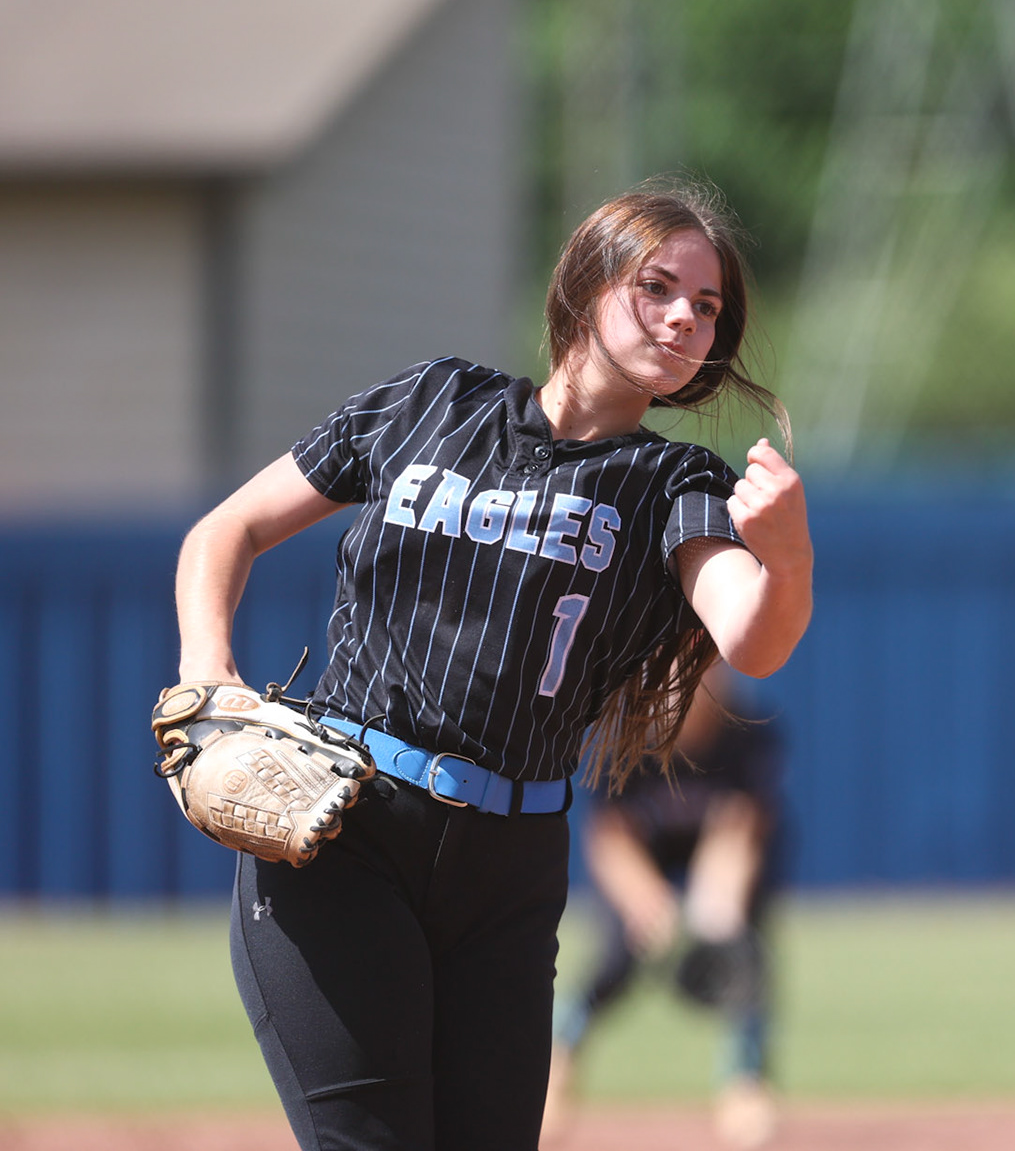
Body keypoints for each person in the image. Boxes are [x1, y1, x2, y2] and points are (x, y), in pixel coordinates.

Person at [170, 176, 812, 1151]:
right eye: (659, 285)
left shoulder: (675, 483)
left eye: (708, 305)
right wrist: (208, 669)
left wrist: (791, 553)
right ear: (586, 283)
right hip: (349, 832)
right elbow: (228, 529)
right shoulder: (429, 402)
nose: (686, 314)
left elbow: (753, 635)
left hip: (508, 873)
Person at [542, 663, 785, 1149]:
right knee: (617, 960)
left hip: (721, 854)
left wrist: (717, 910)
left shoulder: (749, 733)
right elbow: (611, 836)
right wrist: (647, 904)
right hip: (643, 852)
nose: (695, 685)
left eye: (711, 670)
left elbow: (741, 829)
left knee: (745, 952)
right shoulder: (624, 735)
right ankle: (557, 1064)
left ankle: (747, 1080)